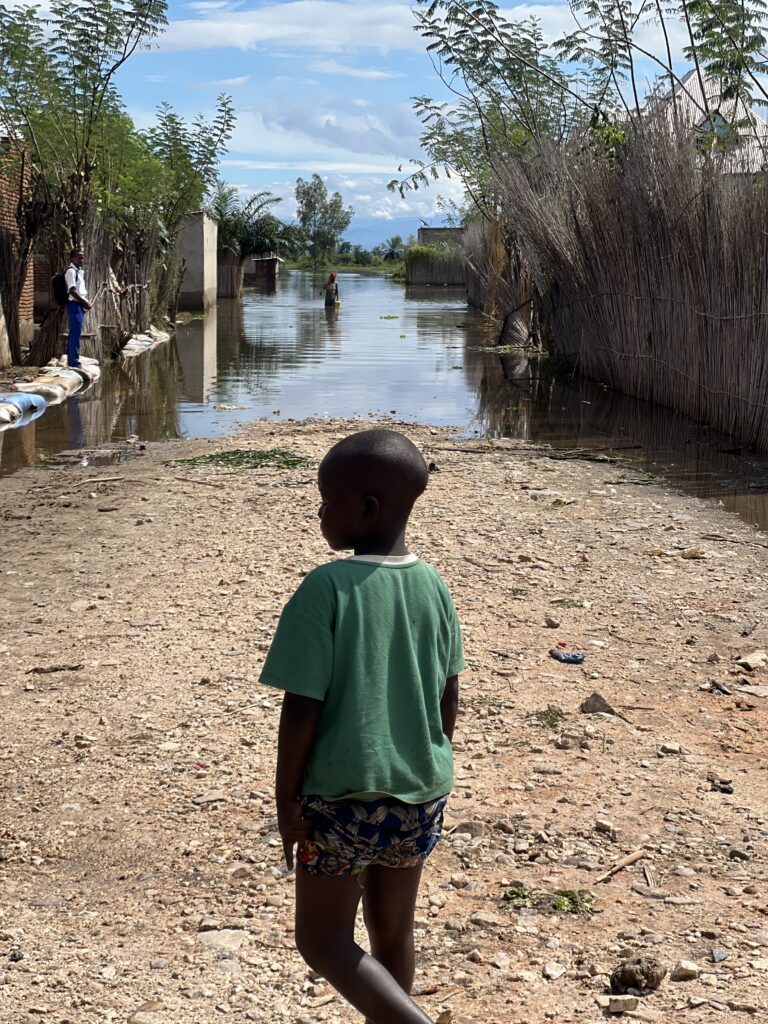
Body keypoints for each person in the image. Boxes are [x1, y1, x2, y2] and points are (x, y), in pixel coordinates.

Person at [260, 428, 464, 1024]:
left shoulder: (325, 588)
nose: (320, 513)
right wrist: (427, 757)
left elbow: (302, 707)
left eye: (328, 502)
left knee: (322, 942)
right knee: (392, 935)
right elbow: (447, 695)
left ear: (368, 510)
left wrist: (286, 800)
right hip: (421, 794)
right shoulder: (434, 587)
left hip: (340, 804)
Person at [64, 249, 90, 369]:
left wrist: (85, 302)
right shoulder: (71, 272)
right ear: (72, 258)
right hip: (74, 305)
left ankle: (73, 360)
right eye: (79, 258)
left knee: (76, 333)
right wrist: (84, 302)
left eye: (83, 258)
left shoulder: (80, 272)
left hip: (79, 305)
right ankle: (74, 362)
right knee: (75, 333)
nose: (82, 260)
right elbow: (72, 291)